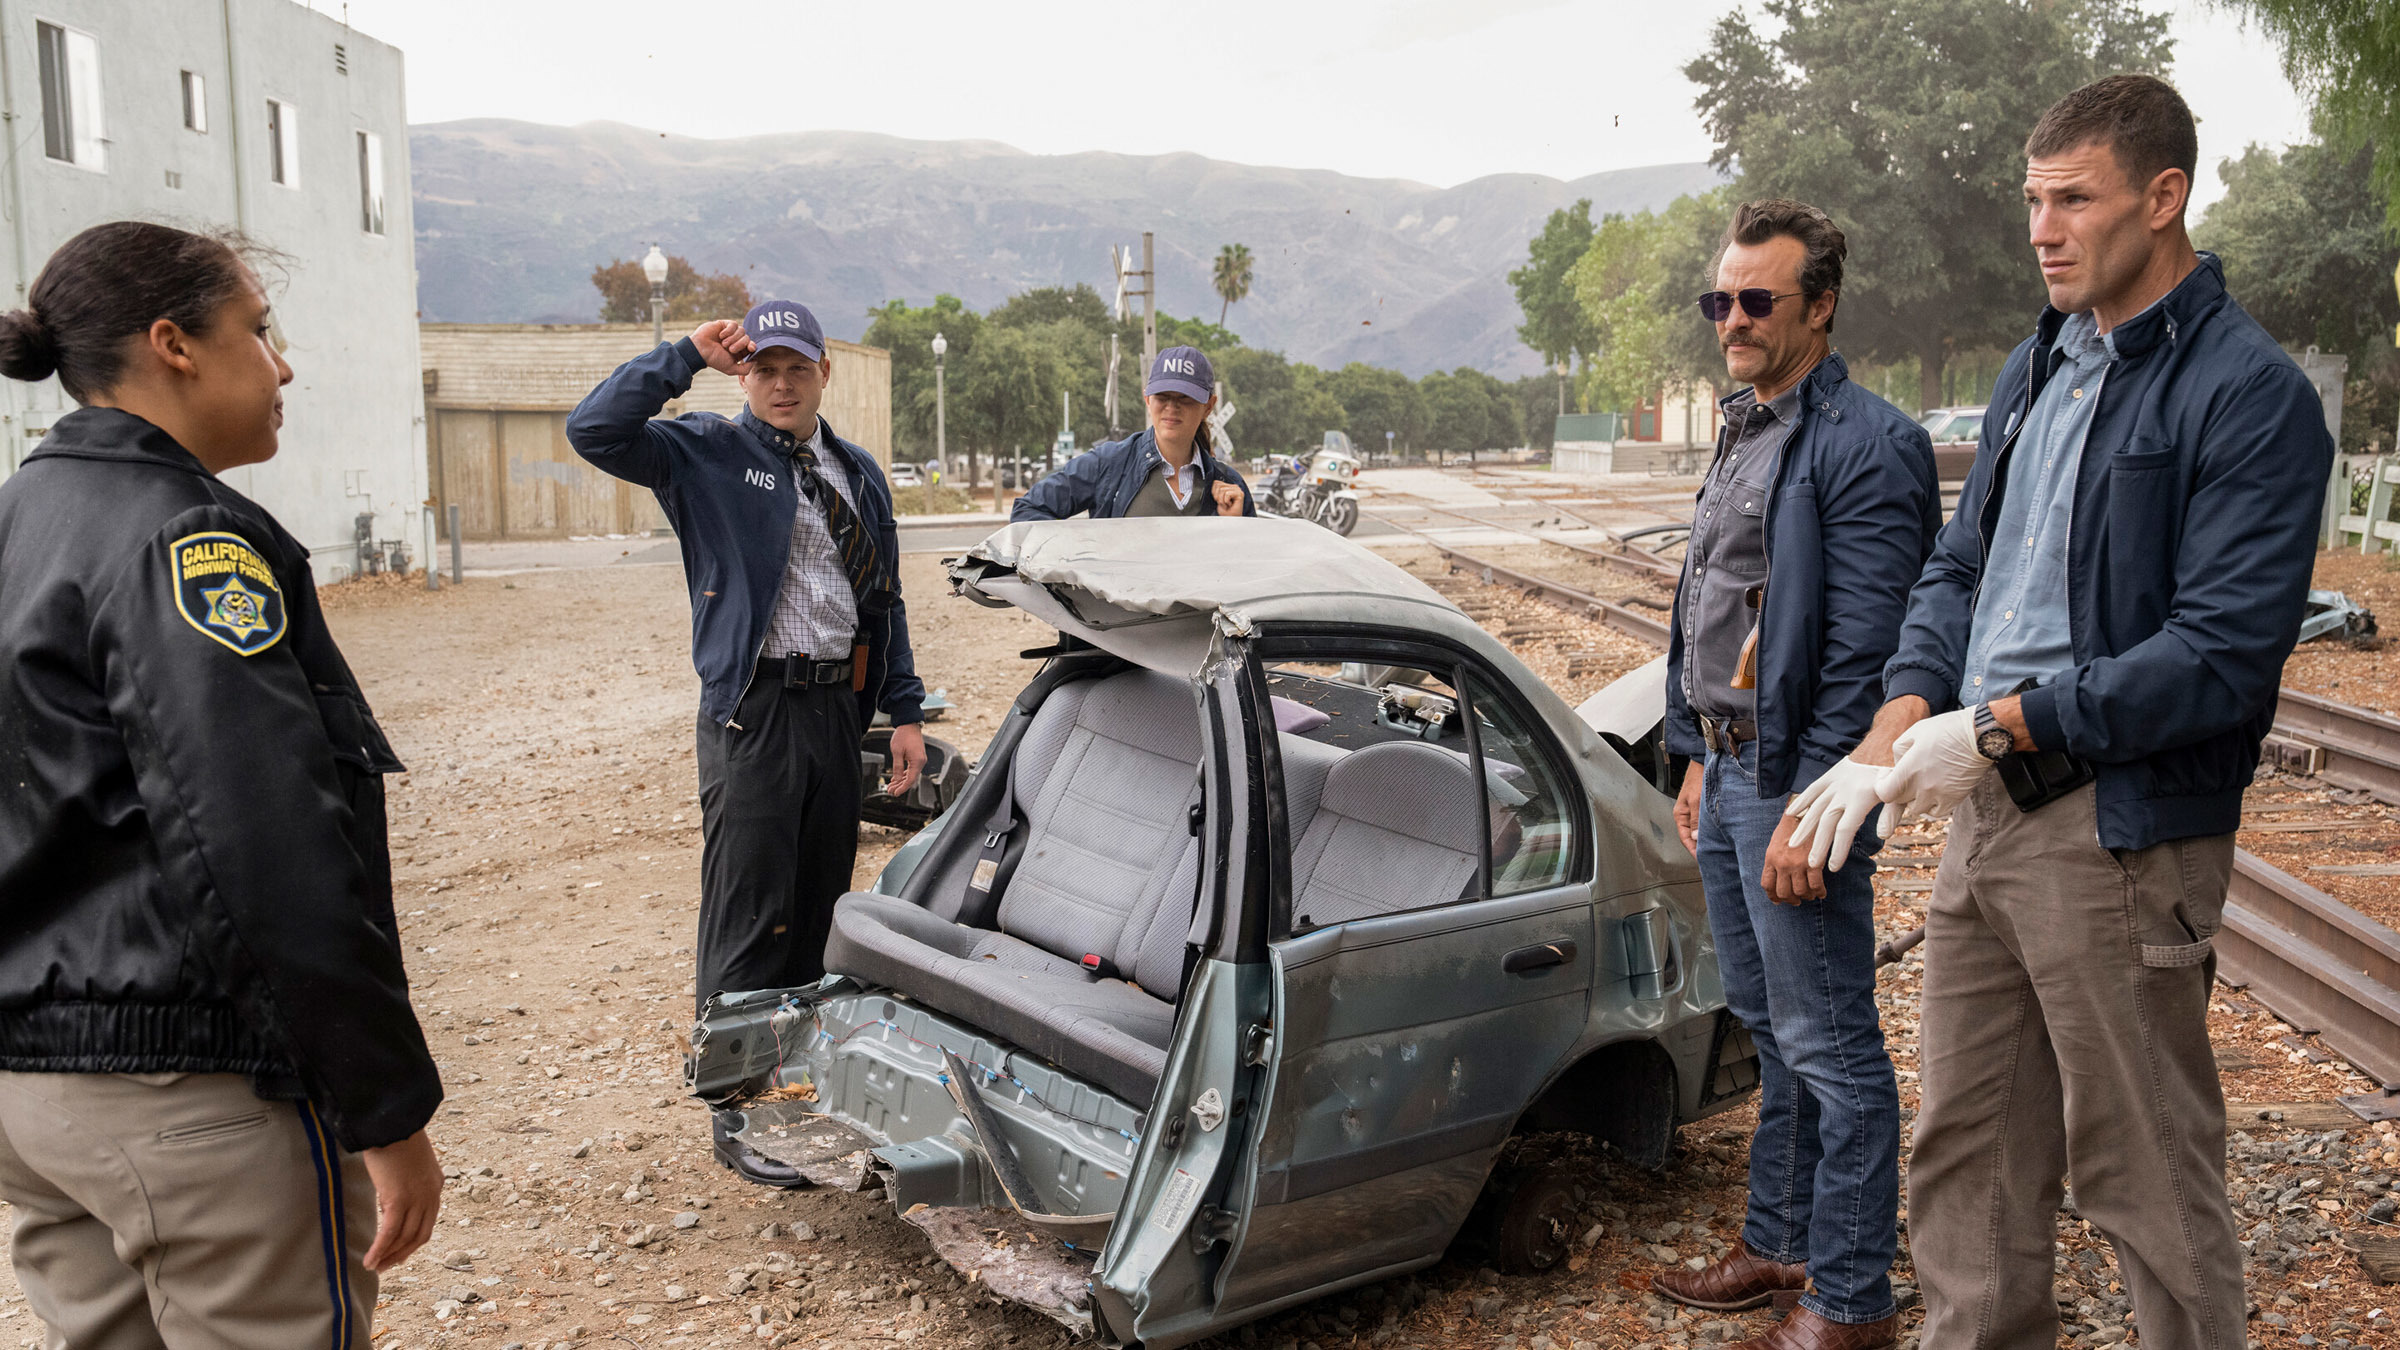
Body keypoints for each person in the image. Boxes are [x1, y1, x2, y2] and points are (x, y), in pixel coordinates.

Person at [1788, 75, 2337, 1350]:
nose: (2043, 231)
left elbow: (2218, 657)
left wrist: (1998, 725)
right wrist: (1900, 722)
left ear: (2164, 197)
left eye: (2074, 201)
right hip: (1987, 815)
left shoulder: (2249, 393)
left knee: (2145, 1173)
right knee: (1967, 1149)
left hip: (2121, 830)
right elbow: (1959, 569)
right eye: (2033, 202)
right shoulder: (2038, 363)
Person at [0, 221, 444, 1346]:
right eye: (258, 329)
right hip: (190, 1092)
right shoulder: (185, 537)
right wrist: (381, 1105)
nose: (283, 366)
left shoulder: (20, 520)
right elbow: (260, 841)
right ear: (174, 345)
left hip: (35, 1090)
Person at [1650, 201, 1938, 1350]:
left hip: (1795, 783)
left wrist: (1812, 809)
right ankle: (1780, 1242)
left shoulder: (1868, 443)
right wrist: (1691, 755)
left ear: (1820, 307)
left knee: (1834, 1045)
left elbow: (1865, 654)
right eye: (1720, 299)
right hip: (1729, 775)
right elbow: (1709, 604)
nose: (1732, 318)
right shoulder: (1746, 425)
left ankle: (1852, 1299)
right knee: (1772, 1030)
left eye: (1756, 300)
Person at [567, 300, 926, 1189]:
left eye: (797, 368)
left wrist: (904, 709)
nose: (781, 384)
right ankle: (735, 1108)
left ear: (824, 373)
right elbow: (594, 430)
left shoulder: (855, 471)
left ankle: (795, 1091)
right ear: (743, 375)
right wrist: (685, 354)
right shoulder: (707, 453)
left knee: (815, 907)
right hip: (755, 712)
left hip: (836, 710)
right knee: (749, 910)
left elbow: (883, 598)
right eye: (764, 369)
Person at [1011, 346, 1253, 519]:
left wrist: (1233, 527)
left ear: (1208, 406)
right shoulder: (1109, 464)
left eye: (1185, 398)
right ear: (1147, 398)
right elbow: (1027, 510)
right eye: (1162, 396)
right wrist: (1082, 560)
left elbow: (1250, 566)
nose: (1172, 407)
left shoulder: (1231, 486)